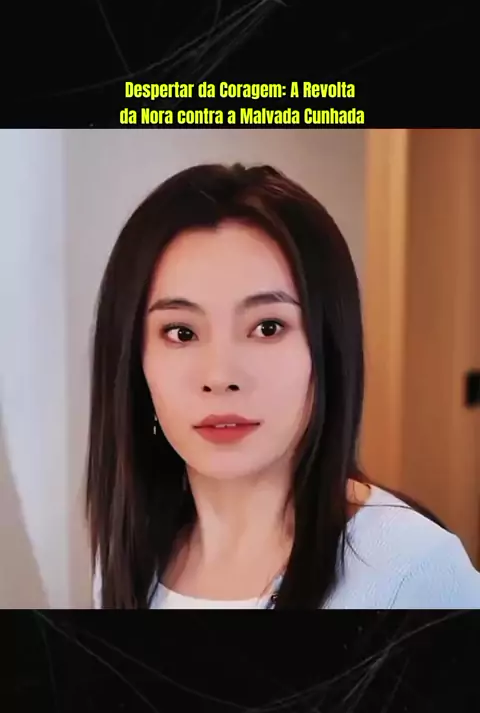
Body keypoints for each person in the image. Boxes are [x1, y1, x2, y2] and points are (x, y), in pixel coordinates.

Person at [86, 162, 480, 609]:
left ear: (326, 348)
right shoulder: (127, 557)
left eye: (268, 328)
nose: (221, 377)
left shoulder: (412, 570)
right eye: (181, 332)